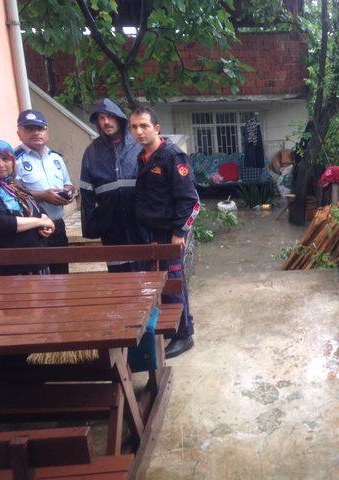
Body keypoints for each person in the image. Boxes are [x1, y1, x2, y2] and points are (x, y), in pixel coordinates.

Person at [129, 106, 200, 358]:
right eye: (134, 127)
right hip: (149, 233)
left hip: (170, 235)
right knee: (160, 284)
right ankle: (172, 327)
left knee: (173, 284)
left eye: (144, 126)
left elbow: (192, 201)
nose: (139, 131)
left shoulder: (172, 157)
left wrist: (180, 233)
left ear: (156, 128)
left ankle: (184, 334)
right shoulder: (143, 158)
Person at [80, 98, 147, 272]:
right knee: (119, 272)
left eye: (110, 116)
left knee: (146, 270)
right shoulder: (92, 152)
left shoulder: (138, 145)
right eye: (101, 118)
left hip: (141, 221)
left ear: (120, 118)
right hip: (111, 224)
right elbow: (86, 191)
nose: (106, 122)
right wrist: (91, 227)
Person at [14, 109, 73, 274]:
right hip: (33, 230)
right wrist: (43, 196)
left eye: (39, 128)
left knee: (62, 274)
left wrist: (67, 193)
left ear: (47, 131)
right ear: (19, 133)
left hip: (58, 225)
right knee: (40, 279)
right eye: (29, 128)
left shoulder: (56, 158)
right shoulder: (13, 160)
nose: (35, 132)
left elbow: (68, 184)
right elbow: (11, 195)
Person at [0, 140, 55, 275]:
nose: (1, 164)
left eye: (6, 159)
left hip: (35, 262)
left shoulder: (14, 185)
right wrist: (40, 222)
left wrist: (47, 222)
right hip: (10, 269)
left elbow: (37, 210)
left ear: (13, 161)